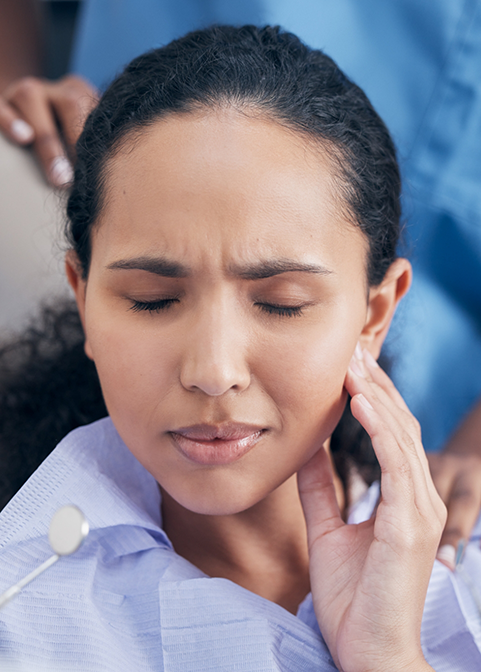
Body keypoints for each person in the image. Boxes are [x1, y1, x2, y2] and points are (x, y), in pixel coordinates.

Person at [1, 25, 480, 672]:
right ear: (83, 299)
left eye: (281, 304)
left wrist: (386, 655)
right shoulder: (23, 612)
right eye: (151, 300)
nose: (213, 373)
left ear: (375, 313)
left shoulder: (462, 564)